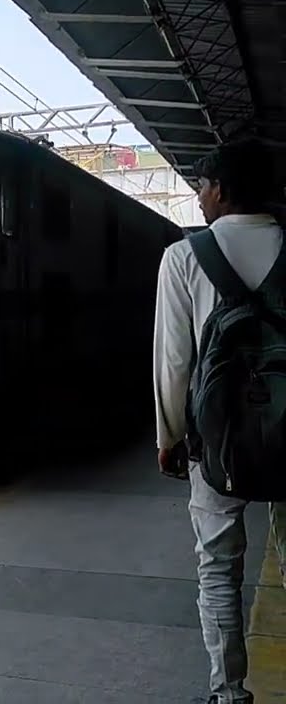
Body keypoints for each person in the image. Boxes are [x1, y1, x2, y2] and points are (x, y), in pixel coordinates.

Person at [153, 137, 286, 704]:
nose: (199, 199)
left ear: (222, 190)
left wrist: (170, 438)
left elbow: (175, 358)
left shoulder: (185, 256)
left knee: (218, 566)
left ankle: (229, 692)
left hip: (218, 436)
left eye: (202, 188)